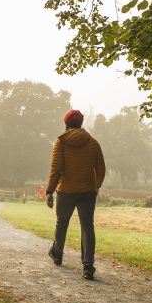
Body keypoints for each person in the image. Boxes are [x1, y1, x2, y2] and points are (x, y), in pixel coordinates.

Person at [44, 109, 106, 280]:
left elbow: (56, 169)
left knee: (62, 223)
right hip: (87, 192)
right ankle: (88, 267)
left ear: (66, 123)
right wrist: (96, 186)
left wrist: (49, 191)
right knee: (87, 226)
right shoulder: (93, 143)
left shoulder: (61, 142)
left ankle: (57, 254)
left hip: (66, 191)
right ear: (81, 124)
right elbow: (101, 169)